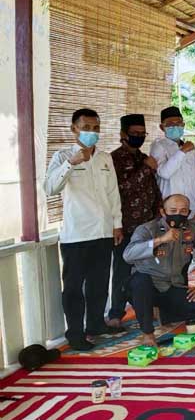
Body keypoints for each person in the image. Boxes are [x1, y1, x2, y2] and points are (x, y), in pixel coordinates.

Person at [44, 108, 124, 351]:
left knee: (99, 284)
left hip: (103, 232)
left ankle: (96, 325)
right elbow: (50, 188)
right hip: (76, 235)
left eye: (96, 128)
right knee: (73, 288)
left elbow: (113, 193)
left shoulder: (105, 158)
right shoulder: (62, 156)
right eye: (86, 127)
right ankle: (75, 333)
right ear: (74, 129)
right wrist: (71, 162)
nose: (92, 132)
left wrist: (117, 224)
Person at [123, 194, 195, 346]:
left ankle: (160, 312)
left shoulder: (192, 228)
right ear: (163, 212)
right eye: (173, 210)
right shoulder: (147, 229)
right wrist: (160, 240)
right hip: (147, 285)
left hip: (172, 285)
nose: (178, 215)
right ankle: (148, 332)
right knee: (141, 281)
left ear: (188, 213)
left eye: (183, 211)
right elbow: (128, 255)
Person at [108, 114, 162, 330]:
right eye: (134, 134)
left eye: (142, 134)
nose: (139, 137)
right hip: (125, 225)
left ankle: (151, 306)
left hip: (148, 225)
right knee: (122, 269)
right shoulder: (113, 159)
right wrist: (147, 168)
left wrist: (159, 213)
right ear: (123, 134)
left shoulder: (143, 157)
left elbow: (153, 188)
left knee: (149, 267)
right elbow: (122, 188)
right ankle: (116, 313)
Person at [150, 106, 195, 218]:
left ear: (183, 125)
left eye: (178, 123)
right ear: (162, 127)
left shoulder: (191, 149)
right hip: (170, 209)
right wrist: (182, 151)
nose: (175, 126)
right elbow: (164, 173)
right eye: (170, 124)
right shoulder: (159, 145)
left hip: (190, 209)